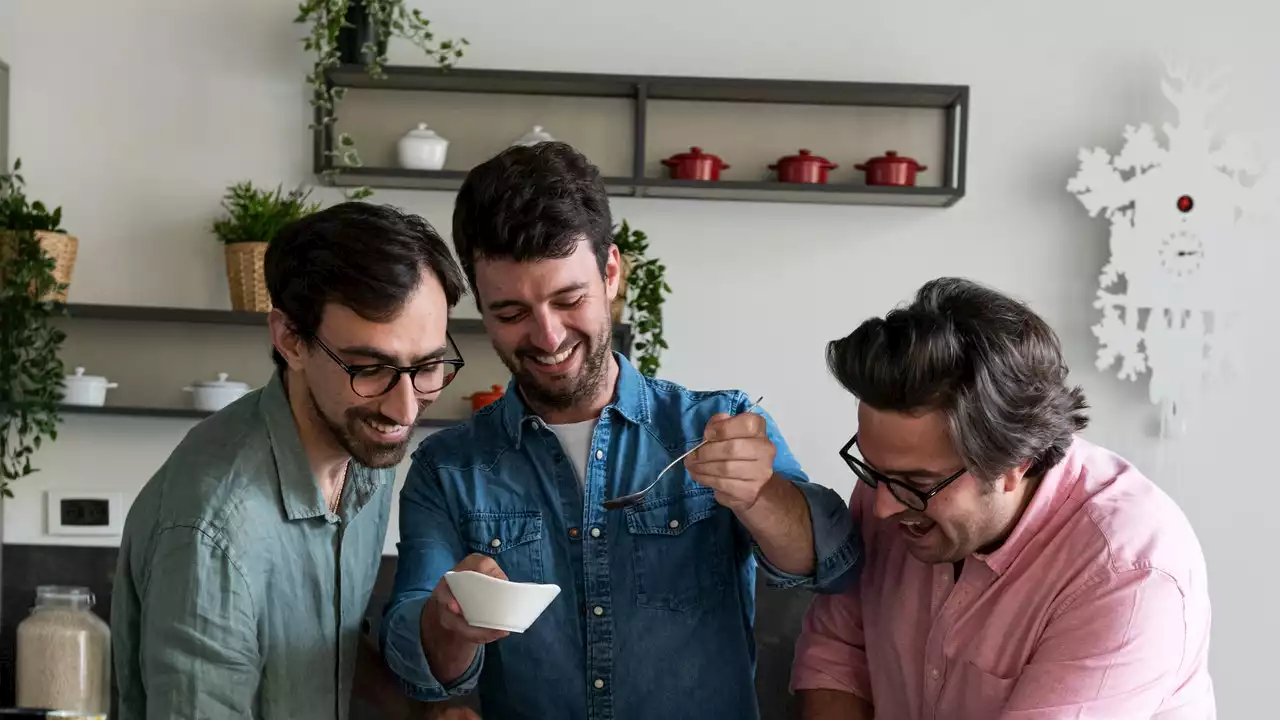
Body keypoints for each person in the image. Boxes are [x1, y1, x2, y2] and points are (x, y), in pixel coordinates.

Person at [379, 141, 862, 719]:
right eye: (510, 314)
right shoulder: (447, 469)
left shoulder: (711, 424)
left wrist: (761, 494)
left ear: (610, 273)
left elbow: (833, 563)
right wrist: (448, 621)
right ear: (481, 309)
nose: (548, 336)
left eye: (569, 299)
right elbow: (418, 663)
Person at [791, 277, 1215, 719]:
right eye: (872, 470)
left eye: (918, 482)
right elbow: (837, 657)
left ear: (1018, 463)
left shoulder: (1129, 573)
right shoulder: (893, 485)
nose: (881, 507)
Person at [111, 202, 469, 719]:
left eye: (428, 366)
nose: (405, 408)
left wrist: (417, 714)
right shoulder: (213, 536)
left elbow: (321, 651)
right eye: (370, 369)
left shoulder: (363, 454)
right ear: (290, 340)